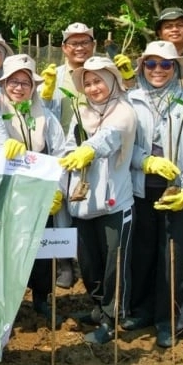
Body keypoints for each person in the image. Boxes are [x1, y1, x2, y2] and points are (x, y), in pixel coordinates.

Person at [125, 41, 183, 346]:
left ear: (176, 69)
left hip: (176, 191)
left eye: (166, 65)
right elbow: (125, 149)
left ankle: (169, 319)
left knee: (173, 257)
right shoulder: (131, 100)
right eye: (151, 64)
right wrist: (144, 161)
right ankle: (142, 310)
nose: (158, 70)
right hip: (140, 189)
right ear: (142, 67)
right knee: (143, 253)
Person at [58, 56, 137, 345]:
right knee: (89, 263)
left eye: (98, 81)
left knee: (114, 264)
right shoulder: (81, 112)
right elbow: (68, 146)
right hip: (82, 202)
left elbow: (109, 138)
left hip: (115, 202)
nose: (93, 88)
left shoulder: (124, 111)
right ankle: (96, 306)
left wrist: (88, 150)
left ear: (113, 81)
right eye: (87, 83)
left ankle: (111, 318)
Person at [0, 54, 67, 329]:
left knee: (42, 250)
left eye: (25, 82)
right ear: (4, 83)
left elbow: (61, 153)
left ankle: (41, 298)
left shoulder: (45, 117)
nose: (19, 87)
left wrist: (56, 190)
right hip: (8, 196)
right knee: (8, 251)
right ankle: (8, 305)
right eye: (13, 81)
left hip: (40, 196)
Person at [40, 22, 97, 288]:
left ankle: (88, 259)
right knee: (61, 204)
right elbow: (43, 111)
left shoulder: (100, 72)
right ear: (64, 47)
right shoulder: (56, 74)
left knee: (87, 203)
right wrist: (47, 91)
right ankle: (64, 263)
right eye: (73, 43)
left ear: (92, 45)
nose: (79, 47)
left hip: (94, 146)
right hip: (63, 147)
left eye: (84, 42)